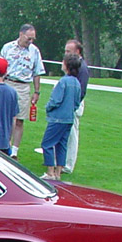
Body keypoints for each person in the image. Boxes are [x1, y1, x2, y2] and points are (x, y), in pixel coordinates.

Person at [0, 24, 46, 159]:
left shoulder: (34, 51)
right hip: (8, 83)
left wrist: (37, 92)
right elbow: (0, 66)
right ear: (21, 34)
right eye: (29, 38)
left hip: (23, 86)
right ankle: (4, 146)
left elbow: (37, 73)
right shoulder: (8, 47)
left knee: (19, 119)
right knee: (7, 117)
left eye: (33, 39)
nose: (30, 41)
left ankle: (14, 151)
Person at [40, 53, 82, 181]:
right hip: (69, 119)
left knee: (47, 144)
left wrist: (48, 107)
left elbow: (56, 100)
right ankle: (58, 172)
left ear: (67, 66)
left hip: (57, 118)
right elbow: (76, 103)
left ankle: (50, 172)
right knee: (62, 145)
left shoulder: (63, 81)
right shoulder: (77, 83)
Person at [63, 39, 90, 174]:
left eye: (69, 51)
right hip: (69, 103)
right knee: (66, 134)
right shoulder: (74, 65)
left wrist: (72, 105)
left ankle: (68, 165)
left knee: (72, 134)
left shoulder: (82, 68)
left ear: (77, 51)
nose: (66, 54)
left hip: (73, 104)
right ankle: (63, 161)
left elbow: (82, 90)